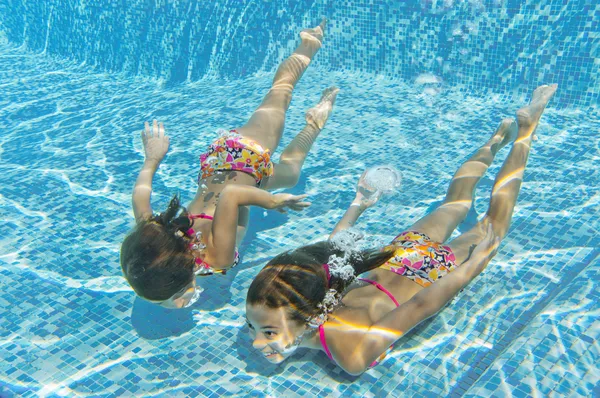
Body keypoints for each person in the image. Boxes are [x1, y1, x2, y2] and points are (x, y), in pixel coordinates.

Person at [245, 84, 557, 375]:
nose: (257, 343)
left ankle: (526, 130)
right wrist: (357, 205)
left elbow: (420, 306)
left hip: (431, 272)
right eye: (254, 328)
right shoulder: (318, 291)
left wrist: (471, 268)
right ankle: (495, 141)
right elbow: (334, 248)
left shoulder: (349, 352)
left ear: (309, 315)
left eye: (268, 331)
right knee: (457, 202)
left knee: (493, 224)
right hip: (398, 254)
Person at [121, 19, 338, 309]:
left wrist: (271, 203)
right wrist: (152, 160)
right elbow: (140, 196)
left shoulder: (216, 258)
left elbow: (232, 197)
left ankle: (309, 44)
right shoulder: (154, 238)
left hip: (247, 155)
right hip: (221, 164)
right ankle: (315, 122)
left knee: (280, 93)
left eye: (170, 299)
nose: (170, 305)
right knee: (290, 174)